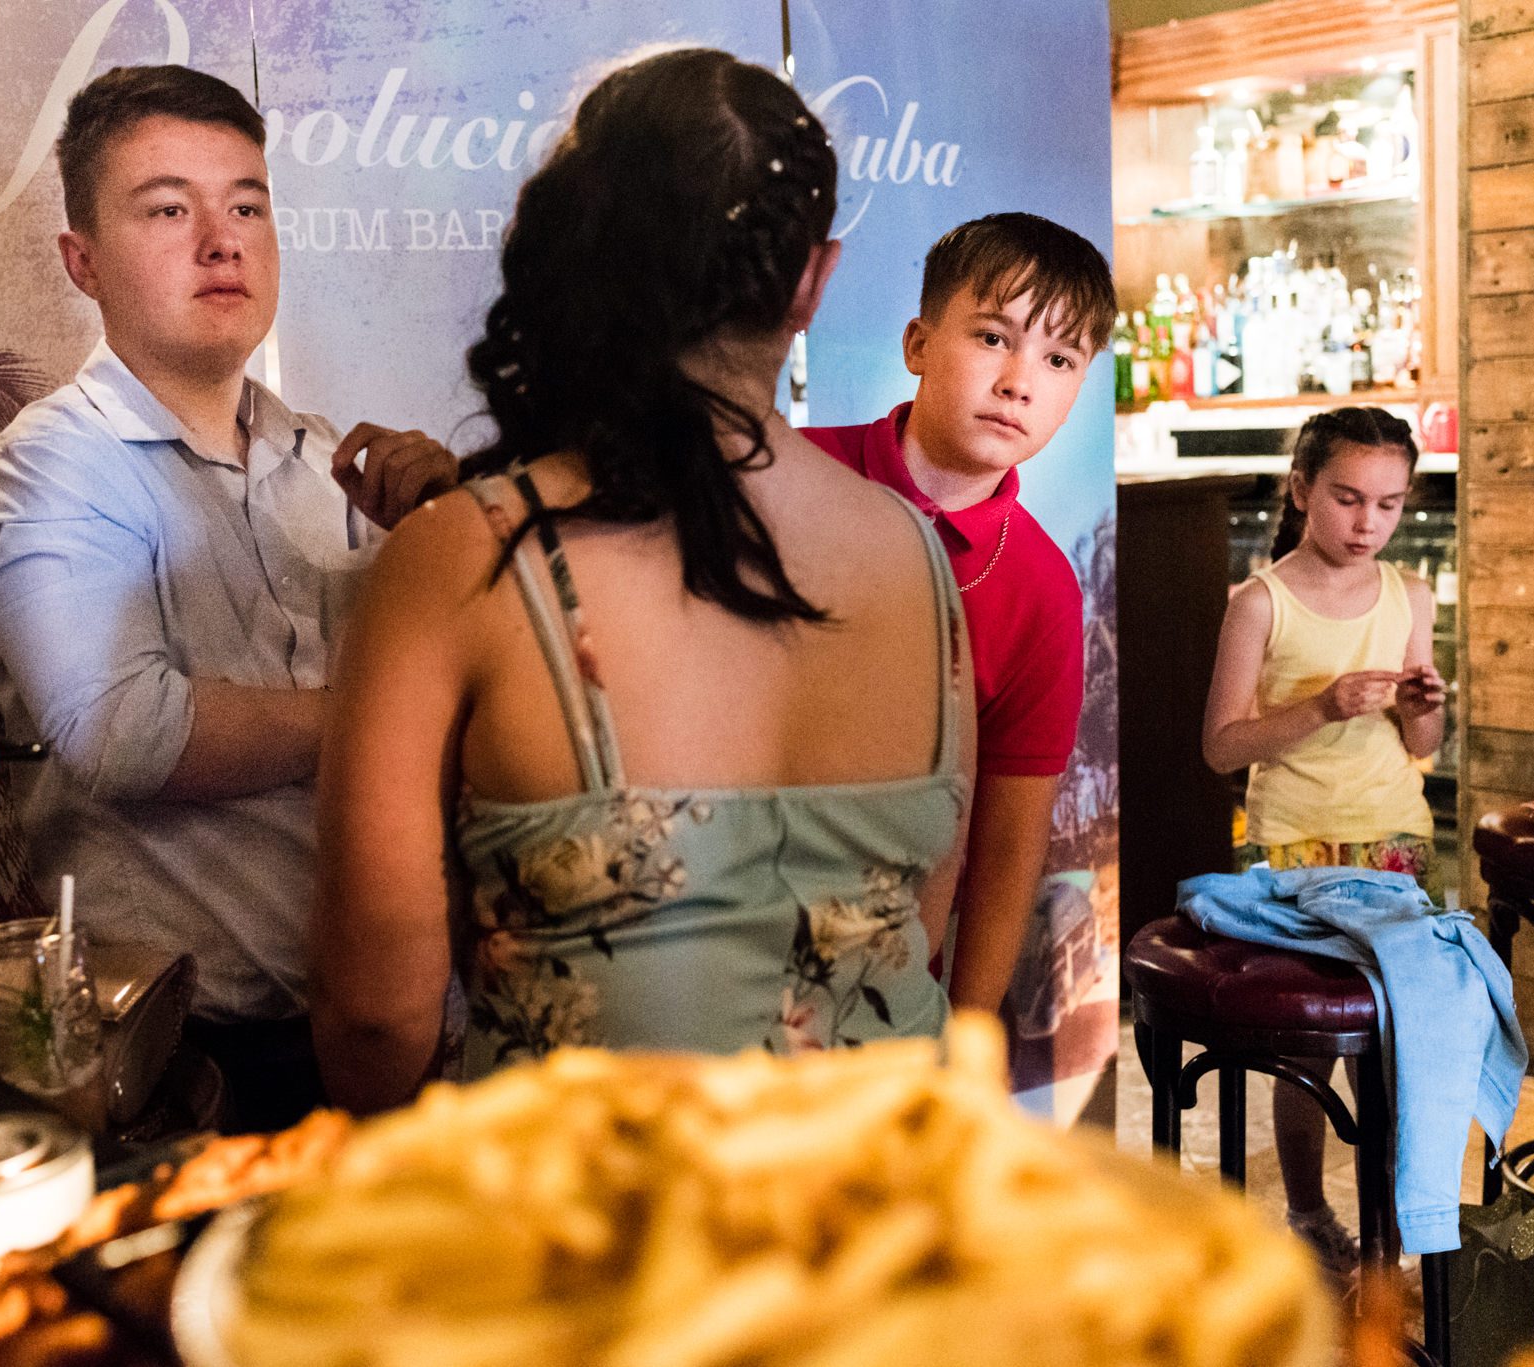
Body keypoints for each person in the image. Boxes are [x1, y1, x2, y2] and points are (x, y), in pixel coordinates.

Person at [310, 47, 976, 1115]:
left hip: (590, 1233)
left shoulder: (455, 559)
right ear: (813, 276)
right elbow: (913, 926)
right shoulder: (916, 555)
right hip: (886, 1214)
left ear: (573, 254)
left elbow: (372, 1020)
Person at [0, 65, 455, 1130]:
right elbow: (125, 731)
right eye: (169, 208)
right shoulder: (52, 465)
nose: (222, 241)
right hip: (195, 1070)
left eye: (247, 205)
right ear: (80, 261)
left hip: (406, 1029)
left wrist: (455, 538)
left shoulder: (334, 458)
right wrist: (385, 715)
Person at [802, 212, 1114, 1012]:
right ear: (916, 345)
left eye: (1058, 357)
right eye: (991, 337)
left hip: (887, 984)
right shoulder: (795, 472)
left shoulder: (1044, 585)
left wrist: (967, 1038)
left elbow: (1009, 847)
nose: (1020, 380)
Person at [1199, 405, 1445, 1274]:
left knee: (1403, 1041)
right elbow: (1222, 745)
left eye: (1388, 504)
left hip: (1394, 841)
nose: (1367, 522)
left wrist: (1427, 710)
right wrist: (1319, 707)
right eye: (1347, 498)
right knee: (1307, 1045)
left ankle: (1391, 1229)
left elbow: (1423, 749)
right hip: (1292, 848)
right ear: (1303, 489)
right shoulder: (1259, 603)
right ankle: (1307, 1212)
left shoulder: (1409, 595)